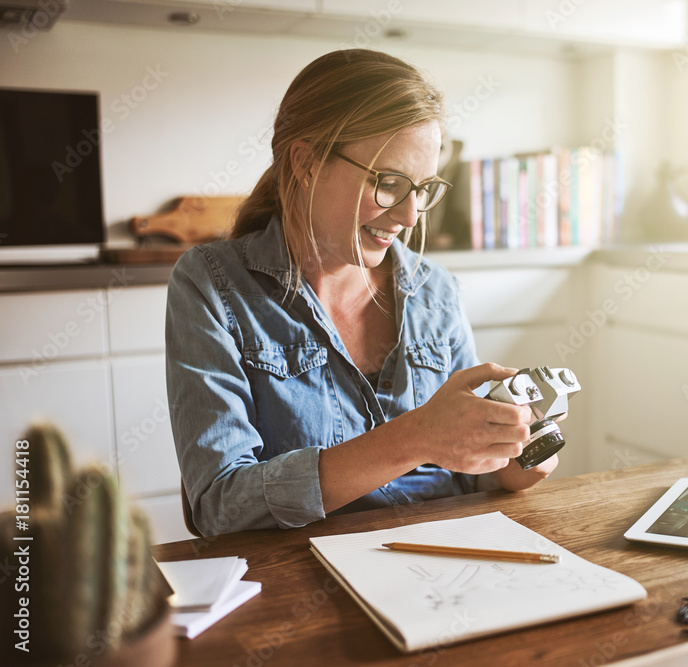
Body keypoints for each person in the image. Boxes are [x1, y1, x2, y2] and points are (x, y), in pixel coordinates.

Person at [165, 49, 558, 537]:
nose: (412, 215)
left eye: (424, 188)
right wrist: (414, 437)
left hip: (444, 565)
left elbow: (464, 473)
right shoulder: (211, 286)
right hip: (299, 587)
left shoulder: (436, 289)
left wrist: (513, 458)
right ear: (306, 162)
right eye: (390, 183)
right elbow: (220, 507)